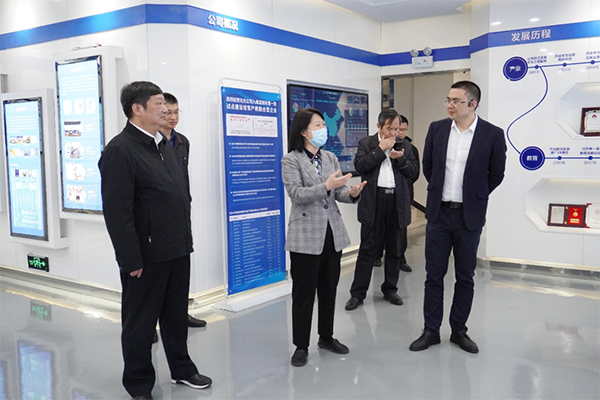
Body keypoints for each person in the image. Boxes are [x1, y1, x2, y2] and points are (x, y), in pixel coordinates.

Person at [99, 81, 211, 400]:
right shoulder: (121, 150)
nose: (166, 109)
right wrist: (130, 259)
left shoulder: (163, 144)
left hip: (177, 247)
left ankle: (182, 369)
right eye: (159, 103)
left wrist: (186, 239)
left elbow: (177, 195)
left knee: (175, 316)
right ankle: (138, 384)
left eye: (166, 103)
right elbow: (117, 211)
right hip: (146, 255)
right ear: (137, 109)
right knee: (141, 323)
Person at [409, 81, 506, 354]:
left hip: (468, 217)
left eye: (456, 101)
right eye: (448, 100)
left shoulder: (492, 134)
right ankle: (430, 330)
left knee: (465, 277)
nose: (449, 105)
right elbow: (428, 167)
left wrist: (475, 196)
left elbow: (496, 174)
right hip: (439, 214)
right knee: (433, 275)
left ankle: (459, 331)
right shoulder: (437, 129)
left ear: (472, 104)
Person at [281, 108, 366, 367]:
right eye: (317, 125)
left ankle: (326, 337)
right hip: (305, 235)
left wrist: (351, 194)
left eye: (323, 124)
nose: (323, 129)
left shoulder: (329, 157)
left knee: (329, 289)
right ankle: (301, 346)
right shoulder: (291, 160)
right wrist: (326, 186)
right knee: (304, 293)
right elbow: (296, 194)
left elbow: (337, 194)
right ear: (304, 131)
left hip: (332, 233)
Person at [345, 109, 418, 311]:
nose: (394, 133)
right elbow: (360, 165)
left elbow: (413, 172)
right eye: (389, 128)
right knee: (368, 249)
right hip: (374, 201)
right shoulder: (367, 143)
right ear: (379, 126)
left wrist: (400, 159)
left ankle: (390, 289)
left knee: (395, 249)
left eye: (397, 128)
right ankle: (357, 294)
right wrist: (380, 150)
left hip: (397, 201)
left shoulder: (406, 146)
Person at [159, 92, 207, 330]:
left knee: (180, 269)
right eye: (168, 112)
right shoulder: (150, 142)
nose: (173, 117)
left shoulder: (182, 141)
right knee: (157, 276)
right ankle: (150, 324)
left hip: (181, 211)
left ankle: (180, 313)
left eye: (176, 112)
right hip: (159, 216)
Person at [373, 114, 420, 272]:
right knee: (378, 228)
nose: (399, 133)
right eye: (395, 129)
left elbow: (414, 173)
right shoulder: (372, 144)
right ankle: (377, 255)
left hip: (402, 195)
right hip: (380, 196)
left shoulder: (409, 148)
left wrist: (401, 159)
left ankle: (400, 259)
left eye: (402, 129)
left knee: (400, 231)